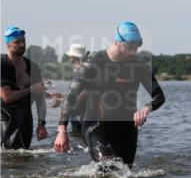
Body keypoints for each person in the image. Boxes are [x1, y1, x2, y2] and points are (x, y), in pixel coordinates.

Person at [53, 22, 165, 167]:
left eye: (136, 47)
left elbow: (159, 96)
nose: (133, 52)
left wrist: (146, 108)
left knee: (125, 177)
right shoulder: (93, 63)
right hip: (96, 126)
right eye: (130, 47)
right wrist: (62, 131)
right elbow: (70, 97)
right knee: (108, 167)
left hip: (127, 129)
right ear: (117, 42)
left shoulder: (139, 64)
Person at [1, 26, 47, 149]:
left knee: (24, 153)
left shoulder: (33, 67)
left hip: (26, 117)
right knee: (11, 155)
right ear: (8, 44)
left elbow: (40, 99)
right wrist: (31, 89)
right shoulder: (2, 65)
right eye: (17, 42)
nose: (22, 44)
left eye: (23, 41)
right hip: (5, 116)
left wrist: (41, 124)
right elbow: (7, 97)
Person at [64, 44, 89, 135]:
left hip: (81, 116)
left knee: (80, 141)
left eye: (70, 57)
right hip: (81, 115)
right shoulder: (82, 70)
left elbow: (86, 92)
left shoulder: (83, 71)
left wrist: (69, 102)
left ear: (74, 57)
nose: (69, 59)